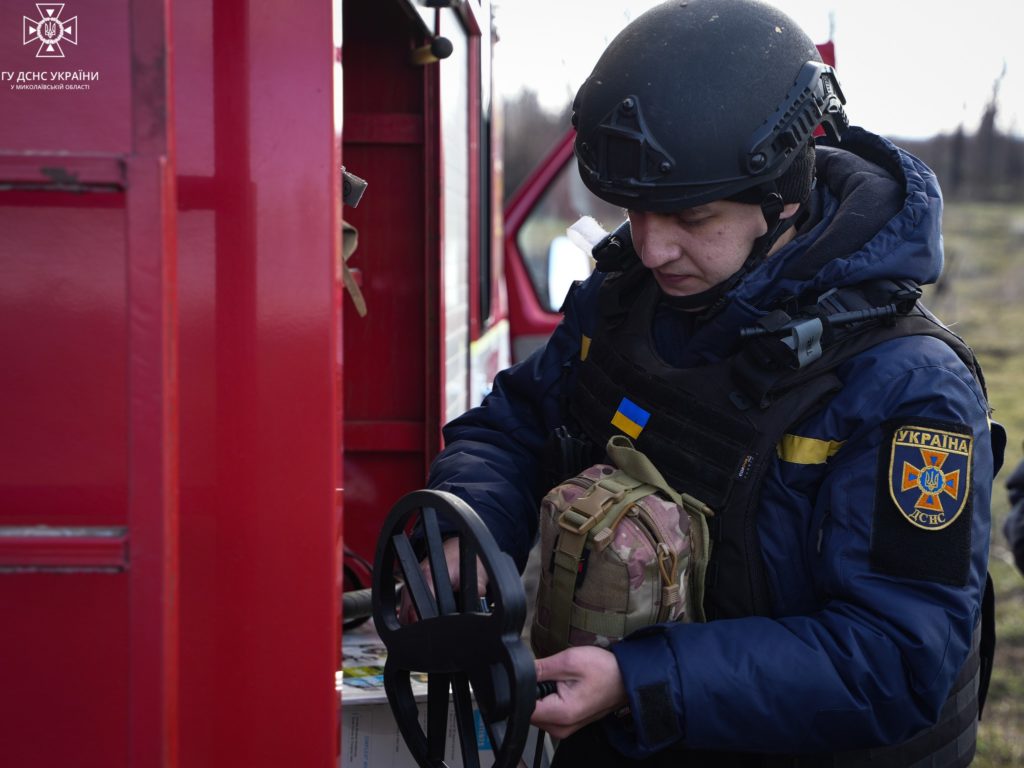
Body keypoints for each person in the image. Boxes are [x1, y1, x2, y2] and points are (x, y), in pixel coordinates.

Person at [425, 0, 1002, 764]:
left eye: (692, 217)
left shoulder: (908, 388)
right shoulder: (627, 297)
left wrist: (641, 683)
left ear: (783, 197)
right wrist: (471, 533)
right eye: (633, 211)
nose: (654, 247)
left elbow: (897, 659)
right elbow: (517, 423)